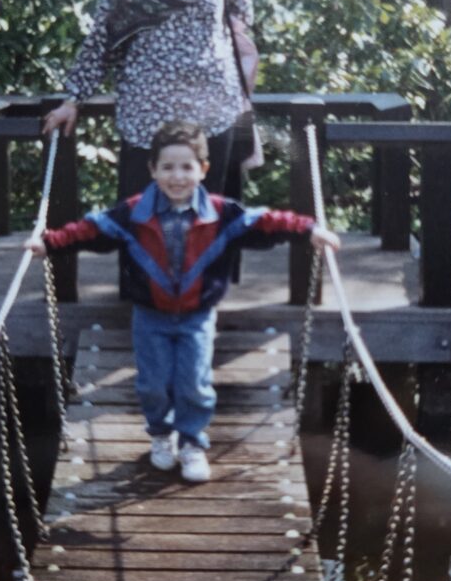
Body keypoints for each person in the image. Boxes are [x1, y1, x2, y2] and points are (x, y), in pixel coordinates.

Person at [28, 120, 339, 483]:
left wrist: (309, 230)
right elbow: (90, 229)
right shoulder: (133, 213)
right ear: (153, 170)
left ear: (203, 170)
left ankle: (192, 443)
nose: (177, 176)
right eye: (168, 167)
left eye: (187, 167)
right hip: (149, 316)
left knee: (194, 382)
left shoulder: (222, 214)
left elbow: (267, 221)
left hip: (197, 316)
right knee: (153, 383)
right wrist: (47, 243)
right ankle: (161, 435)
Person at [41, 0, 257, 199]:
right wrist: (74, 98)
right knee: (141, 221)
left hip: (213, 106)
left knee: (214, 223)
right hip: (147, 111)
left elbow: (242, 13)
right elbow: (104, 34)